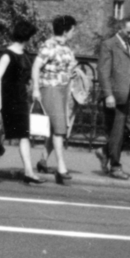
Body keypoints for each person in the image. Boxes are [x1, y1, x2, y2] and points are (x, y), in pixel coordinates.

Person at [0, 19, 43, 184]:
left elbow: (29, 75)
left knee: (23, 135)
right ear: (27, 37)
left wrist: (34, 89)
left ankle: (28, 172)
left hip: (20, 100)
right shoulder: (8, 55)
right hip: (6, 100)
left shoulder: (26, 55)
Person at [31, 14, 78, 185]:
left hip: (63, 90)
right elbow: (36, 66)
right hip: (50, 89)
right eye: (73, 30)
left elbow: (68, 67)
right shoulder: (49, 46)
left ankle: (43, 161)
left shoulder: (66, 48)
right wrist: (36, 89)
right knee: (59, 128)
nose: (74, 33)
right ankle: (61, 168)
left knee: (55, 128)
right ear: (66, 31)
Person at [96, 16, 130, 180]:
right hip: (117, 94)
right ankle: (115, 166)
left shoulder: (129, 45)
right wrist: (108, 94)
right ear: (120, 29)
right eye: (129, 32)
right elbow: (103, 72)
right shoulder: (109, 45)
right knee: (118, 131)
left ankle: (105, 151)